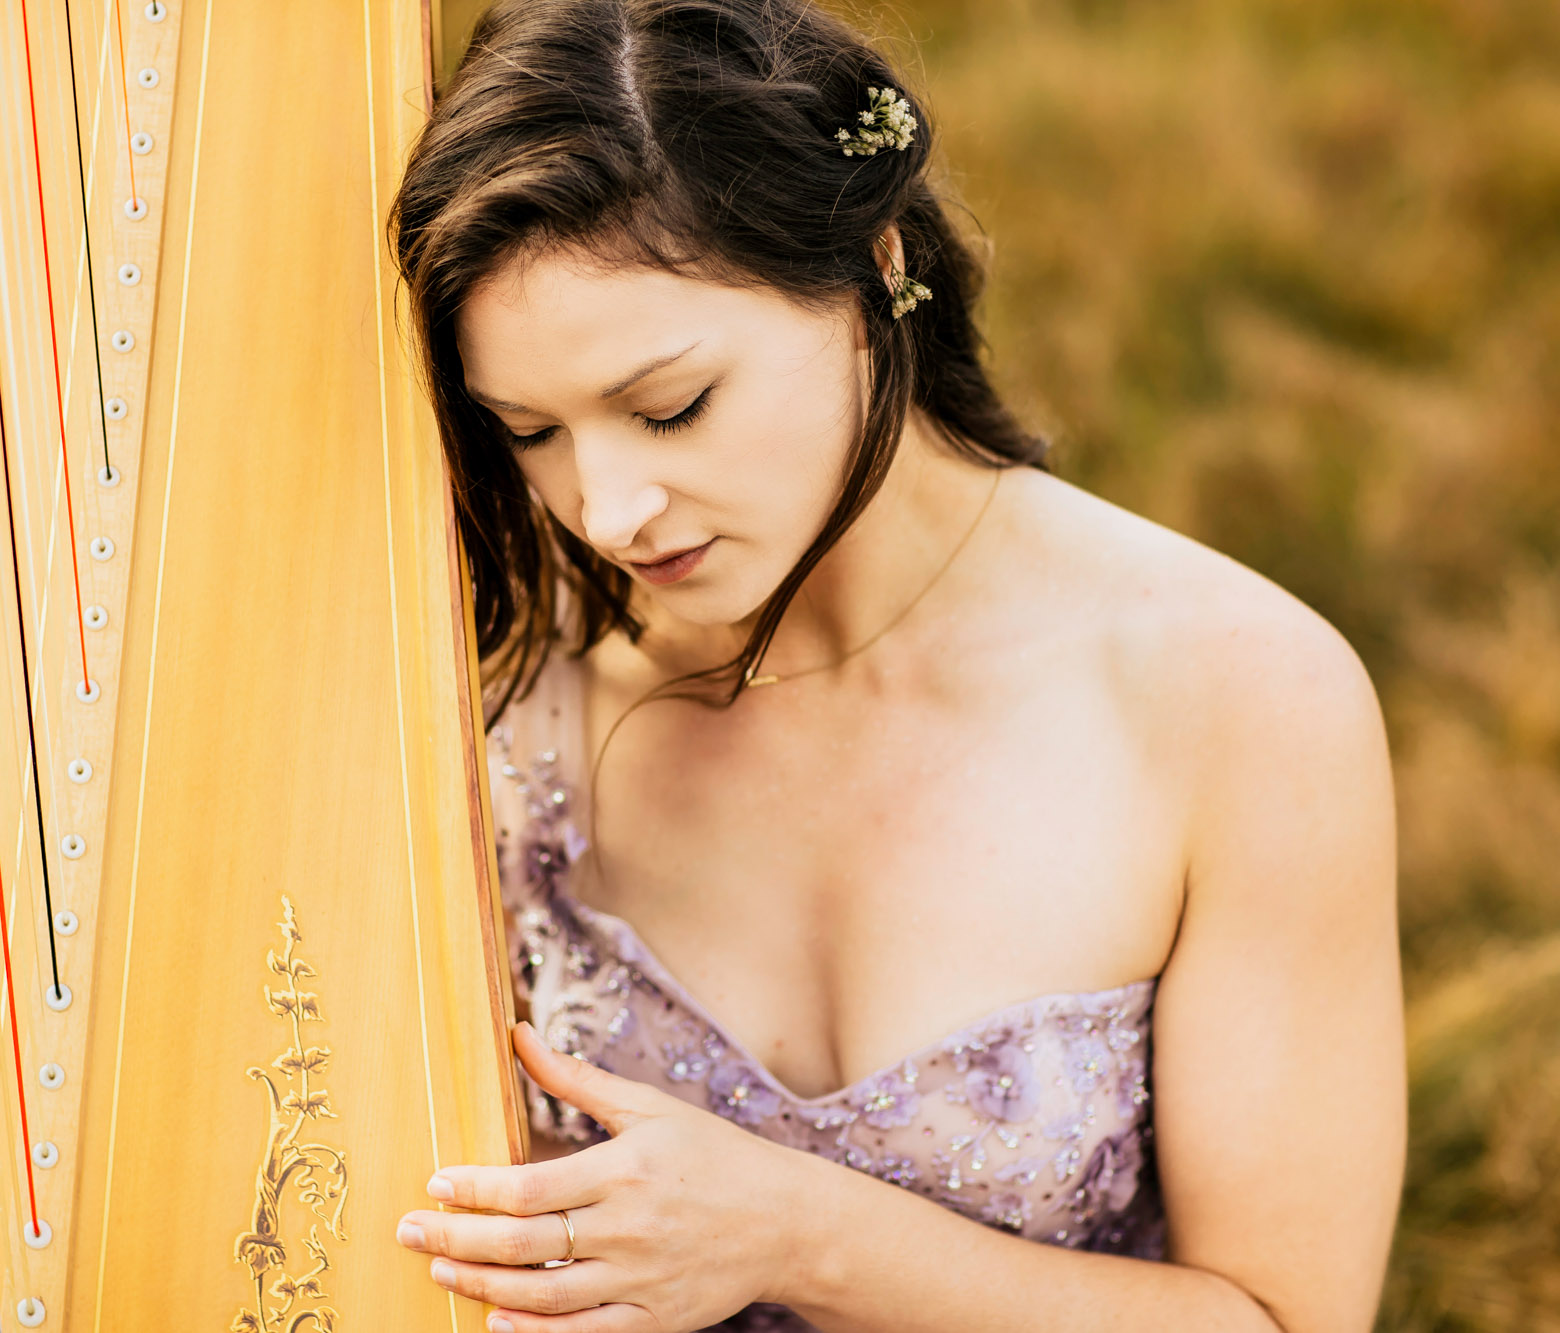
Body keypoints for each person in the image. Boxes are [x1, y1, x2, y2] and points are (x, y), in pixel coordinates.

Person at [387, 2, 1406, 1329]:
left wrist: (795, 1235)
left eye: (671, 405)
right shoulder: (533, 722)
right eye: (532, 431)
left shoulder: (1238, 696)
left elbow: (1286, 1319)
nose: (609, 505)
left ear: (869, 270)